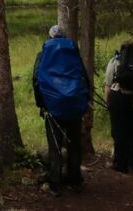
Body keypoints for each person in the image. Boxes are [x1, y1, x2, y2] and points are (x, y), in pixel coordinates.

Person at [32, 25, 90, 193]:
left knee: (55, 146)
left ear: (49, 38)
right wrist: (83, 100)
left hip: (53, 108)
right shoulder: (73, 52)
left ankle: (55, 184)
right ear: (64, 37)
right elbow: (84, 78)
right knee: (74, 144)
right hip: (74, 106)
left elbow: (36, 81)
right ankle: (75, 180)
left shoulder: (43, 54)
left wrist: (41, 104)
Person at [105, 42, 133, 173]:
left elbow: (108, 86)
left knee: (119, 131)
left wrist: (108, 103)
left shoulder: (115, 61)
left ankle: (120, 164)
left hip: (119, 97)